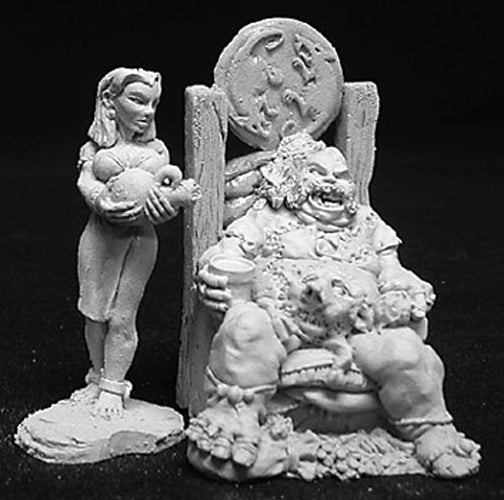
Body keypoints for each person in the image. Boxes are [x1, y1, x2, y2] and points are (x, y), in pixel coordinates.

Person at [188, 132, 480, 478]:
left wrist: (407, 291)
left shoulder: (368, 224)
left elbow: (394, 271)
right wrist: (214, 274)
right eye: (318, 173)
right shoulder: (266, 216)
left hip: (357, 325)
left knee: (404, 350)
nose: (331, 182)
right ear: (294, 179)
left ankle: (429, 431)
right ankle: (235, 421)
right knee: (246, 326)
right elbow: (226, 252)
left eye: (340, 176)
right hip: (282, 320)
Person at [74, 68, 179, 419]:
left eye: (153, 104)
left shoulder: (157, 150)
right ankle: (97, 375)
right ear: (110, 100)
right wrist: (100, 200)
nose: (147, 111)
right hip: (100, 236)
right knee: (93, 314)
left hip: (139, 239)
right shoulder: (94, 148)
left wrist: (167, 208)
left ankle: (113, 386)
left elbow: (166, 193)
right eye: (137, 100)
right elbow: (86, 181)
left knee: (122, 316)